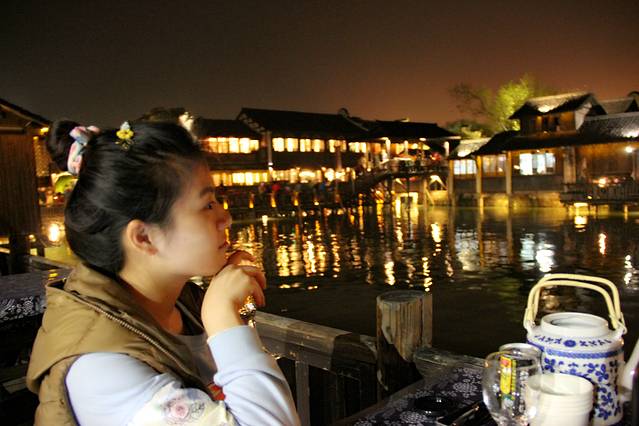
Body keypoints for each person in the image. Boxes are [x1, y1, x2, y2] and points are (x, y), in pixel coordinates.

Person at [27, 120, 300, 425]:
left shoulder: (180, 303)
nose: (226, 217)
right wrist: (224, 319)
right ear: (144, 237)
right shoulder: (103, 370)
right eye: (207, 205)